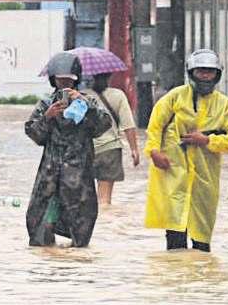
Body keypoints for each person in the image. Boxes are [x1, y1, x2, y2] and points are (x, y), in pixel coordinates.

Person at [145, 49, 228, 252]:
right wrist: (154, 152)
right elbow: (155, 126)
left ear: (217, 75)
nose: (205, 76)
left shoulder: (224, 106)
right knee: (175, 238)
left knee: (202, 239)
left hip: (205, 179)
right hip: (173, 174)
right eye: (201, 71)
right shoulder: (174, 98)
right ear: (191, 72)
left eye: (210, 72)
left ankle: (200, 279)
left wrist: (207, 140)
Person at [24, 52, 113, 248]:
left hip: (79, 175)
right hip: (49, 175)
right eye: (60, 80)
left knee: (81, 227)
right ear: (53, 80)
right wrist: (47, 117)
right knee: (39, 226)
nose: (64, 85)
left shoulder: (88, 102)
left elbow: (103, 126)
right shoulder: (47, 104)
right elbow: (34, 135)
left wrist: (86, 106)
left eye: (68, 81)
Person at [90, 72, 141, 206]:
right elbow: (128, 125)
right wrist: (134, 149)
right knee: (104, 200)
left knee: (86, 200)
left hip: (85, 151)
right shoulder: (118, 95)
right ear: (110, 76)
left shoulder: (81, 95)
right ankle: (107, 224)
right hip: (109, 150)